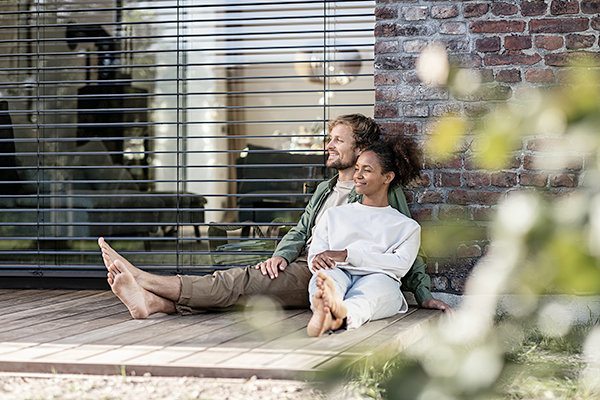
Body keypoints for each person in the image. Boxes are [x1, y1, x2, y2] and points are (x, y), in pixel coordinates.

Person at [99, 114, 452, 319]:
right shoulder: (326, 188)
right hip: (300, 261)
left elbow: (407, 246)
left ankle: (146, 279)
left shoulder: (382, 193)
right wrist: (281, 255)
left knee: (237, 283)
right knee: (246, 290)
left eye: (337, 141)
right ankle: (155, 303)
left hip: (329, 271)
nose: (328, 145)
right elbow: (301, 230)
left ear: (360, 150)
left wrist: (422, 295)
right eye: (329, 139)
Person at [307, 137, 422, 336]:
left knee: (368, 294)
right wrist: (317, 260)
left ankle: (339, 317)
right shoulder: (334, 215)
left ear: (387, 177)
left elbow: (401, 265)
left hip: (380, 279)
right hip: (338, 270)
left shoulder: (406, 227)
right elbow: (316, 254)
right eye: (357, 168)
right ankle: (324, 307)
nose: (357, 175)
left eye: (366, 170)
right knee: (325, 279)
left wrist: (347, 255)